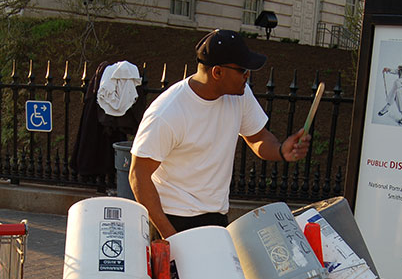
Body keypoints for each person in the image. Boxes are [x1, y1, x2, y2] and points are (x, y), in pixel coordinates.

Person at [129, 29, 310, 238]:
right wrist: (170, 236)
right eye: (242, 70)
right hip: (171, 218)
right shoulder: (168, 113)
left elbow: (257, 137)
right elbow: (138, 175)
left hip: (216, 218)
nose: (247, 76)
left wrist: (280, 150)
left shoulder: (239, 96)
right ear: (217, 72)